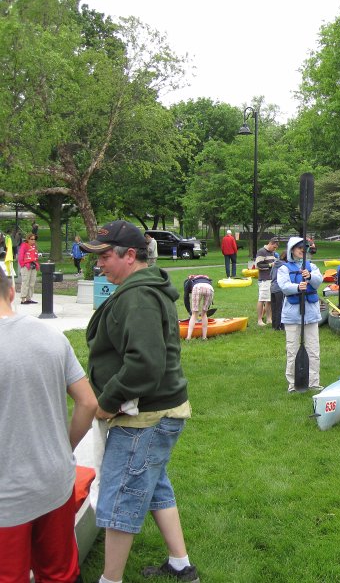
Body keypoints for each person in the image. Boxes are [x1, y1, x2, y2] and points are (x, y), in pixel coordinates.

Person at [80, 220, 200, 583]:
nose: (97, 264)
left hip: (145, 415)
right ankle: (181, 565)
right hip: (157, 410)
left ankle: (109, 579)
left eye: (103, 256)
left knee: (122, 496)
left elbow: (145, 364)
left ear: (129, 255)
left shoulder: (138, 296)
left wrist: (107, 401)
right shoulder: (139, 288)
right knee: (154, 483)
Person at [0, 269, 98, 583]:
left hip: (8, 497)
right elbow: (88, 402)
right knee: (60, 574)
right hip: (55, 480)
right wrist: (62, 447)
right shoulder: (51, 335)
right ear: (12, 292)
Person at [278, 237, 323, 392]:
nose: (302, 249)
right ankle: (293, 384)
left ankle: (313, 382)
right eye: (298, 247)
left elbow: (318, 281)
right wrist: (298, 287)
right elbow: (284, 286)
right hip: (292, 315)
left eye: (304, 247)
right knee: (292, 350)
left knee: (313, 349)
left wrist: (309, 276)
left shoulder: (312, 266)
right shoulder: (284, 268)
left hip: (310, 314)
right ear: (292, 250)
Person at [255, 238, 280, 326]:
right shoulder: (261, 252)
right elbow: (258, 265)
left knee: (269, 300)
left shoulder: (272, 253)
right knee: (262, 299)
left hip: (271, 278)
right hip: (264, 279)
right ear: (270, 243)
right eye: (274, 247)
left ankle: (269, 319)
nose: (275, 249)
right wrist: (270, 265)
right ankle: (259, 320)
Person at [184, 274, 214, 340]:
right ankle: (204, 337)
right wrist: (205, 310)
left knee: (194, 314)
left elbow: (186, 298)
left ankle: (188, 337)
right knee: (204, 314)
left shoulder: (188, 281)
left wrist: (190, 311)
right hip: (209, 288)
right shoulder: (207, 279)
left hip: (197, 287)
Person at [17, 233, 39, 304]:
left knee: (32, 283)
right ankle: (23, 299)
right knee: (25, 282)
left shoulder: (34, 247)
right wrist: (23, 264)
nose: (33, 240)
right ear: (28, 239)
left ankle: (29, 298)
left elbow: (35, 257)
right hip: (26, 266)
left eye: (34, 239)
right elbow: (20, 256)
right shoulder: (24, 246)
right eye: (32, 239)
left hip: (33, 265)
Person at [270, 251, 287, 330]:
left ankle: (274, 325)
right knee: (280, 307)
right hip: (279, 288)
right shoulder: (284, 265)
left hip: (272, 288)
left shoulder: (275, 264)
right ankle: (279, 326)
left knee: (274, 307)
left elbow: (270, 275)